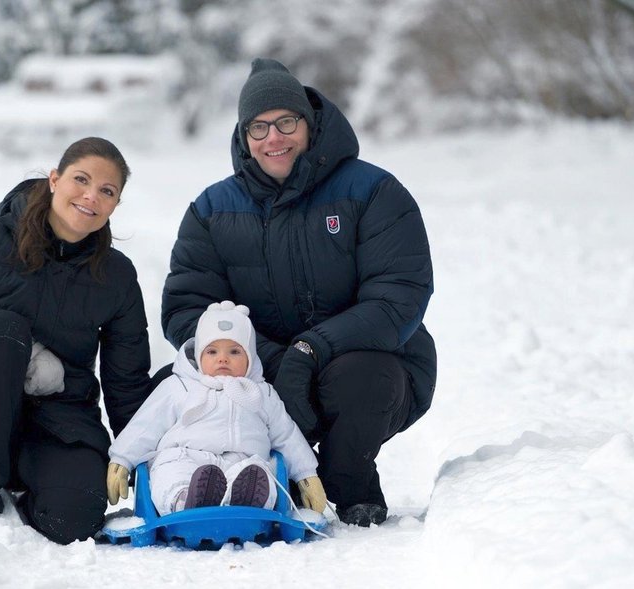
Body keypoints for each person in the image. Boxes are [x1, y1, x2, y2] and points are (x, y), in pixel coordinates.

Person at [161, 58, 437, 527]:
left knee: (362, 379)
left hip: (359, 362)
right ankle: (223, 484)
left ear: (310, 123)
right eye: (259, 126)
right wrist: (262, 356)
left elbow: (398, 297)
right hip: (258, 368)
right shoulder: (211, 209)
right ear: (244, 137)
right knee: (179, 394)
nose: (274, 138)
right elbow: (188, 309)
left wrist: (310, 351)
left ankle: (346, 477)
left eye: (286, 122)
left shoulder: (373, 191)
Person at [0, 137, 152, 544]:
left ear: (115, 205)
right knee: (5, 328)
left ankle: (29, 485)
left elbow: (125, 384)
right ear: (55, 180)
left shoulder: (117, 276)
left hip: (58, 419)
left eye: (107, 191)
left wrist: (147, 463)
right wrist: (23, 360)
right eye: (81, 179)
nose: (91, 196)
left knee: (74, 520)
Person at [105, 301, 327, 516]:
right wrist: (122, 459)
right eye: (212, 352)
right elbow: (146, 425)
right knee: (170, 472)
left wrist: (306, 474)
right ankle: (185, 500)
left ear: (250, 357)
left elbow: (286, 435)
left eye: (234, 352)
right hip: (185, 456)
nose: (223, 359)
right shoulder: (178, 386)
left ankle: (248, 499)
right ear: (199, 355)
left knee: (262, 474)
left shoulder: (260, 393)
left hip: (244, 460)